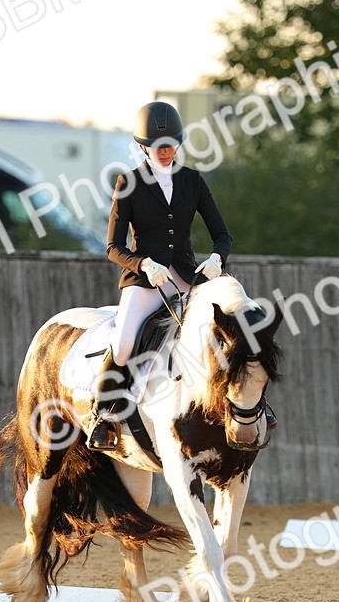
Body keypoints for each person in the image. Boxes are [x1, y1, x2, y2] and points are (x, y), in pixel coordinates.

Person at [88, 101, 232, 450]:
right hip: (146, 280)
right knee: (124, 343)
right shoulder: (129, 182)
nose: (166, 152)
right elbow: (112, 247)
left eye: (170, 146)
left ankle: (240, 406)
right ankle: (103, 414)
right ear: (143, 147)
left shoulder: (193, 181)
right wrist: (143, 265)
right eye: (158, 147)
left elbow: (222, 234)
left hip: (185, 277)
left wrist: (216, 259)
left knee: (224, 335)